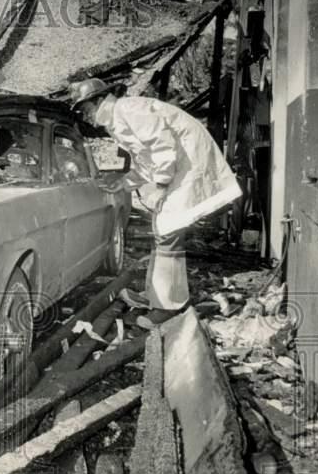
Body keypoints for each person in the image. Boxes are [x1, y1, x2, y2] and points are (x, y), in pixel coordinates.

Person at [70, 78, 242, 326]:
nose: (84, 115)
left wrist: (161, 185)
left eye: (85, 109)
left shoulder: (129, 109)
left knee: (168, 231)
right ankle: (157, 297)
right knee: (163, 231)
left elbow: (162, 147)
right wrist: (125, 181)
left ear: (99, 100)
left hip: (188, 164)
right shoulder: (118, 120)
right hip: (179, 166)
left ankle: (166, 308)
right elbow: (145, 160)